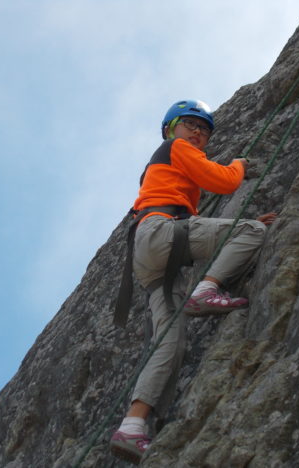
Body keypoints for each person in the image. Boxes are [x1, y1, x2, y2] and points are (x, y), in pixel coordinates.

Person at [110, 100, 276, 464]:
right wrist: (240, 166)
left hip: (150, 255)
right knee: (249, 231)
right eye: (190, 124)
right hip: (162, 233)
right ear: (171, 129)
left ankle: (133, 426)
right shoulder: (176, 148)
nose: (198, 132)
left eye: (204, 129)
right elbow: (223, 181)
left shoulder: (164, 167)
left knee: (169, 343)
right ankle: (206, 291)